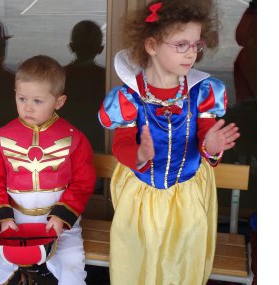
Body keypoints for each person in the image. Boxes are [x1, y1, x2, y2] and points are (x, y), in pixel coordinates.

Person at [97, 1, 240, 284]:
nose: (191, 54)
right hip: (141, 196)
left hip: (186, 196)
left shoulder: (203, 93)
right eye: (181, 45)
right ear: (151, 45)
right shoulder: (129, 97)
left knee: (183, 264)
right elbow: (121, 144)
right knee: (136, 262)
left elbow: (206, 144)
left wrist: (211, 146)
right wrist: (138, 153)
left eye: (196, 45)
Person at [0, 55, 96, 285]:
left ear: (59, 101)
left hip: (59, 221)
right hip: (14, 217)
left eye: (38, 101)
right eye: (22, 98)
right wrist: (3, 218)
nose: (28, 107)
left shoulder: (74, 138)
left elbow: (83, 182)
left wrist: (62, 216)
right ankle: (17, 280)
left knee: (71, 265)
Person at [61, 20, 106, 152]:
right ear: (100, 49)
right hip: (98, 143)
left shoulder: (59, 76)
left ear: (71, 47)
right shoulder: (107, 78)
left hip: (66, 143)